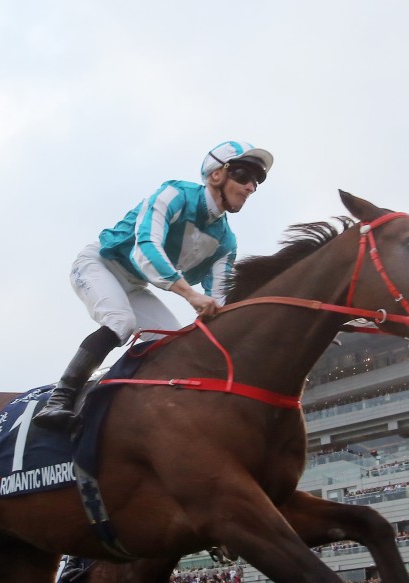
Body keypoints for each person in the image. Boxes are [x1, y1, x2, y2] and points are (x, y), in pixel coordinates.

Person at [32, 140, 274, 431]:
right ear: (216, 175)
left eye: (257, 181)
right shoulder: (174, 195)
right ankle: (60, 397)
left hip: (134, 285)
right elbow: (144, 249)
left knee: (171, 344)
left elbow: (220, 301)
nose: (250, 187)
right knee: (121, 321)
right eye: (243, 176)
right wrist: (189, 294)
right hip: (98, 264)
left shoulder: (226, 242)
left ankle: (134, 407)